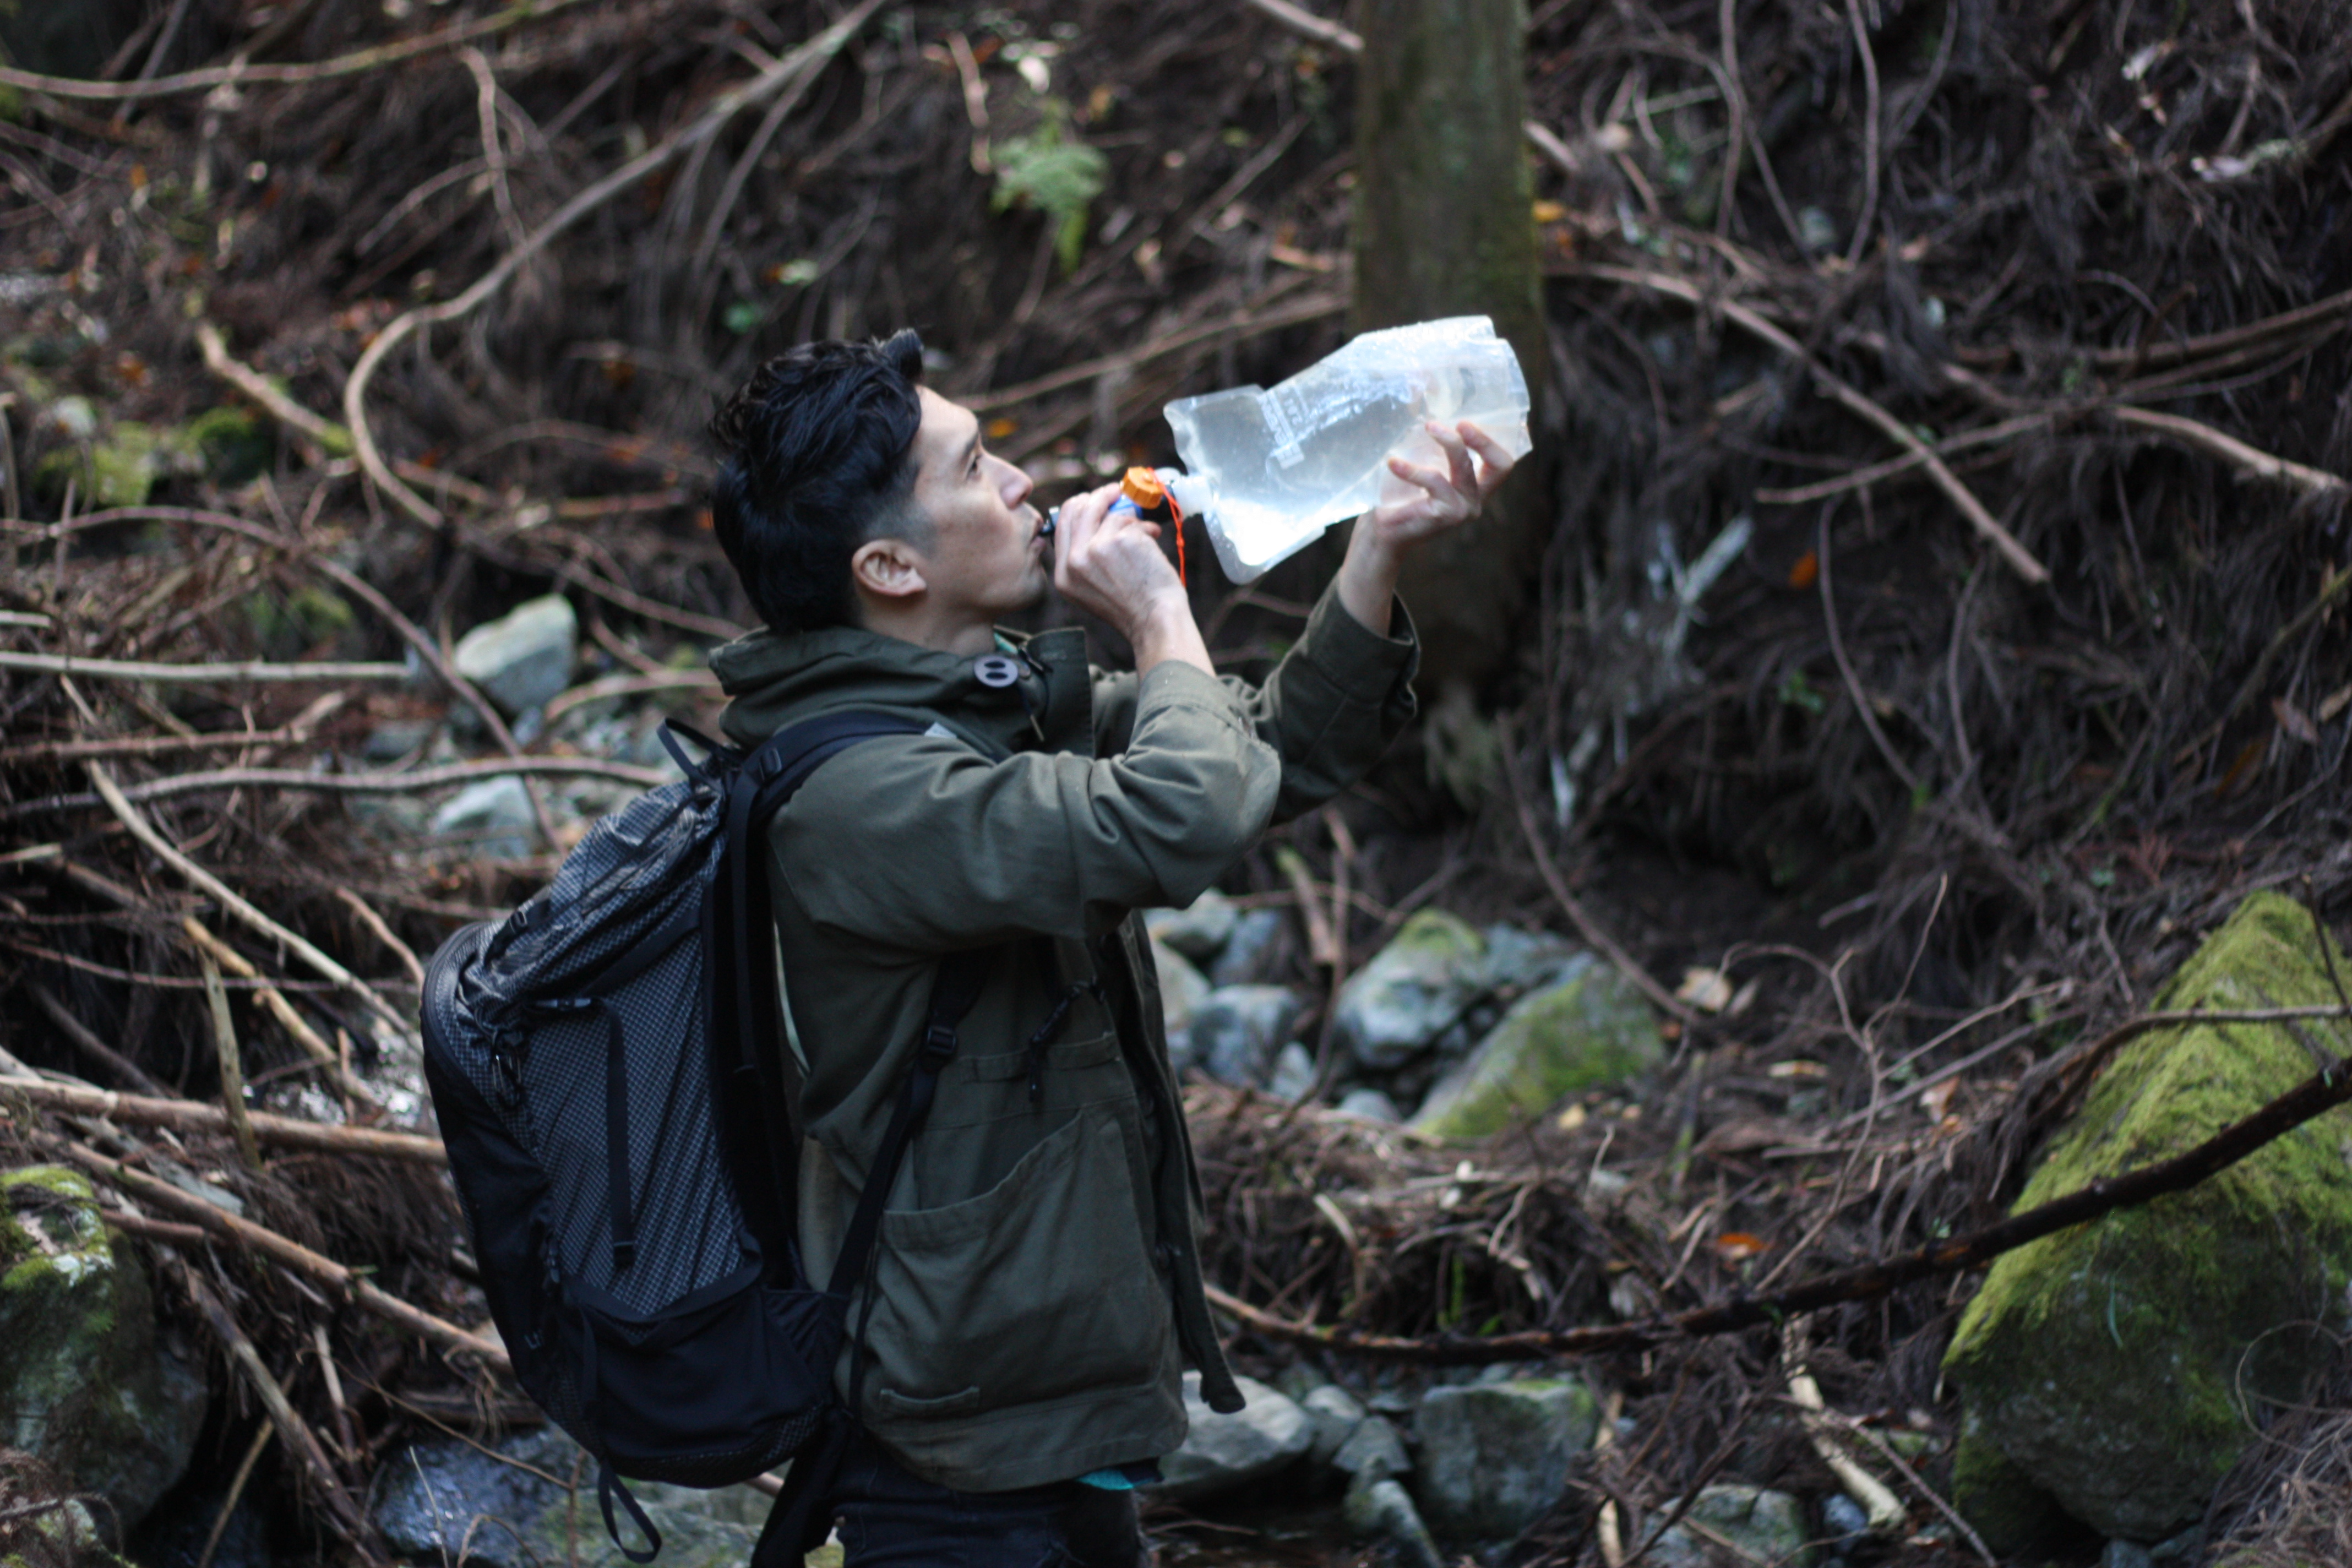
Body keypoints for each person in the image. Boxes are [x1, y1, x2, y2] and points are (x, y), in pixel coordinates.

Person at [704, 329, 1514, 1566]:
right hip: (961, 1457)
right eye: (976, 467)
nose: (1024, 481)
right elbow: (1184, 815)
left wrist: (1377, 547)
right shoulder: (859, 794)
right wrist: (1153, 609)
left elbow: (1260, 754)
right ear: (887, 565)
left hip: (1047, 1392)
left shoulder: (981, 699)